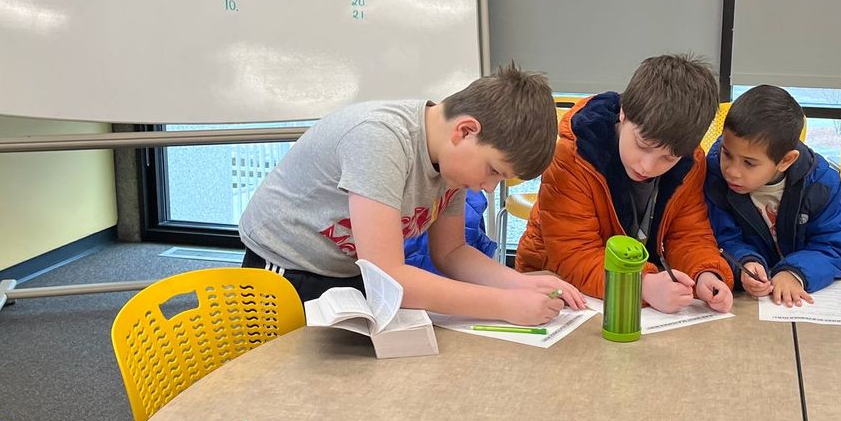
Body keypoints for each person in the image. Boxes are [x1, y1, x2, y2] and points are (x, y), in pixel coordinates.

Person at [239, 64, 583, 324]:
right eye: (493, 170)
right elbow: (390, 277)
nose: (489, 187)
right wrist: (505, 305)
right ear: (465, 131)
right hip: (284, 271)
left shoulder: (452, 164)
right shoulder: (380, 139)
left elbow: (451, 252)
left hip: (350, 272)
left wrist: (517, 285)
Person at [515, 54, 732, 314]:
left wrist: (705, 272)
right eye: (642, 145)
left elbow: (688, 234)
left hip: (629, 288)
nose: (647, 166)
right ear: (623, 113)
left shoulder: (689, 163)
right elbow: (573, 254)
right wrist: (641, 285)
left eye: (668, 158)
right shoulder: (573, 155)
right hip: (555, 283)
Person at [704, 85, 841, 306]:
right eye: (727, 154)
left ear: (786, 160)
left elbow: (835, 246)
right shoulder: (715, 176)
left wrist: (794, 273)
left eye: (749, 163)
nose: (731, 171)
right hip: (747, 302)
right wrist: (745, 263)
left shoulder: (821, 184)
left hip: (798, 302)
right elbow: (720, 237)